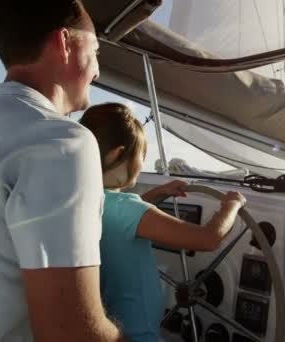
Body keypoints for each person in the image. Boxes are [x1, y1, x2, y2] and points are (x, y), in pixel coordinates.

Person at [0, 1, 125, 341]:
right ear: (65, 43)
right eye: (96, 51)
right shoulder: (62, 142)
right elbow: (70, 334)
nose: (98, 72)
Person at [79, 103, 246, 342]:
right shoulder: (126, 209)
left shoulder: (88, 202)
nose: (141, 164)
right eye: (141, 156)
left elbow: (122, 218)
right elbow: (208, 238)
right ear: (117, 154)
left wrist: (158, 194)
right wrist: (232, 204)